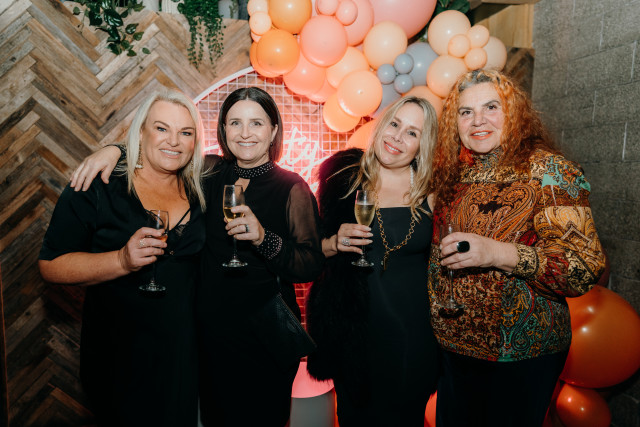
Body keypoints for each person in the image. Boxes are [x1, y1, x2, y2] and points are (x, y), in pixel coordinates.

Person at [69, 87, 325, 426]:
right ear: (223, 129)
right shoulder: (209, 172)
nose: (245, 133)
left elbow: (310, 263)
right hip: (210, 335)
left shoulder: (292, 187)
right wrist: (114, 150)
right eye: (235, 123)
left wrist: (264, 238)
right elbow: (163, 151)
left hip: (263, 338)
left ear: (274, 130)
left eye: (256, 123)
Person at [428, 69, 607, 426]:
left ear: (513, 113)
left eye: (491, 107)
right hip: (453, 349)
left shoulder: (550, 171)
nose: (478, 120)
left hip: (520, 355)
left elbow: (583, 265)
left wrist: (497, 253)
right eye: (466, 112)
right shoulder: (451, 173)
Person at [39, 88, 208, 426]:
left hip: (183, 357)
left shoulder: (203, 187)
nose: (174, 141)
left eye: (186, 132)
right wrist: (121, 260)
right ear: (141, 132)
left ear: (195, 142)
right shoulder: (99, 184)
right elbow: (51, 265)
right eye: (161, 128)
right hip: (119, 356)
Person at [306, 96, 441, 426]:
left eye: (412, 133)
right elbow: (306, 254)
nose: (397, 137)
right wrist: (333, 243)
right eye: (394, 124)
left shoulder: (433, 190)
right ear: (381, 126)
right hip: (355, 336)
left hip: (413, 336)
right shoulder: (343, 178)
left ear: (422, 146)